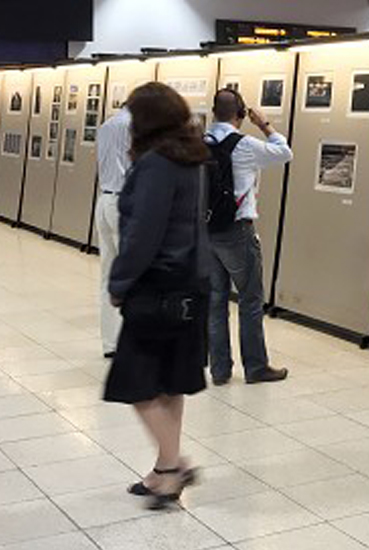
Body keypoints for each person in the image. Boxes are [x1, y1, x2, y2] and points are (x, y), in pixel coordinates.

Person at [104, 82, 211, 509]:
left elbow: (143, 235)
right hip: (191, 288)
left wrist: (118, 285)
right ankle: (164, 472)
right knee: (170, 383)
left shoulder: (155, 165)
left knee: (136, 384)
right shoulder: (194, 159)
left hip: (158, 287)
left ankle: (176, 465)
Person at [205, 89, 293, 385]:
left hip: (206, 231)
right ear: (240, 114)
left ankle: (219, 370)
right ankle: (256, 367)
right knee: (250, 298)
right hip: (237, 231)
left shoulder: (200, 142)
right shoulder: (243, 144)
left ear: (214, 112)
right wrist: (265, 124)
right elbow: (285, 153)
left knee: (215, 300)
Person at [95, 106, 132, 358]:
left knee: (108, 275)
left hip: (105, 200)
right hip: (124, 203)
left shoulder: (106, 126)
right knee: (133, 273)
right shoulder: (135, 127)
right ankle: (133, 341)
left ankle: (111, 343)